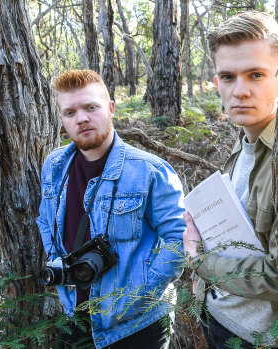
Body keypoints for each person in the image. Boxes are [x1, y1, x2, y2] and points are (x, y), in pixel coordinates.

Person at [36, 70, 185, 349]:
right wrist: (58, 265)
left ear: (111, 108)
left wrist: (139, 297)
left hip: (139, 324)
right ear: (62, 120)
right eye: (70, 113)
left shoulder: (149, 171)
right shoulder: (54, 167)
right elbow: (46, 222)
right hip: (78, 317)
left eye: (91, 107)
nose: (81, 118)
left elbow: (178, 240)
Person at [183, 11, 278, 348]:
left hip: (256, 339)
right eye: (228, 77)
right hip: (217, 316)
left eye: (256, 74)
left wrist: (200, 262)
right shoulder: (244, 146)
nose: (240, 91)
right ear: (216, 83)